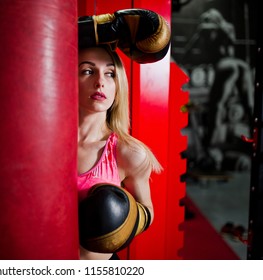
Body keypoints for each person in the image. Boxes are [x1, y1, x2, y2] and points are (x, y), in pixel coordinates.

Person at [76, 9, 170, 260]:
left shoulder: (128, 152)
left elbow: (147, 211)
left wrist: (122, 219)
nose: (100, 82)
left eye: (109, 73)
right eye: (87, 71)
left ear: (119, 85)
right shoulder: (41, 145)